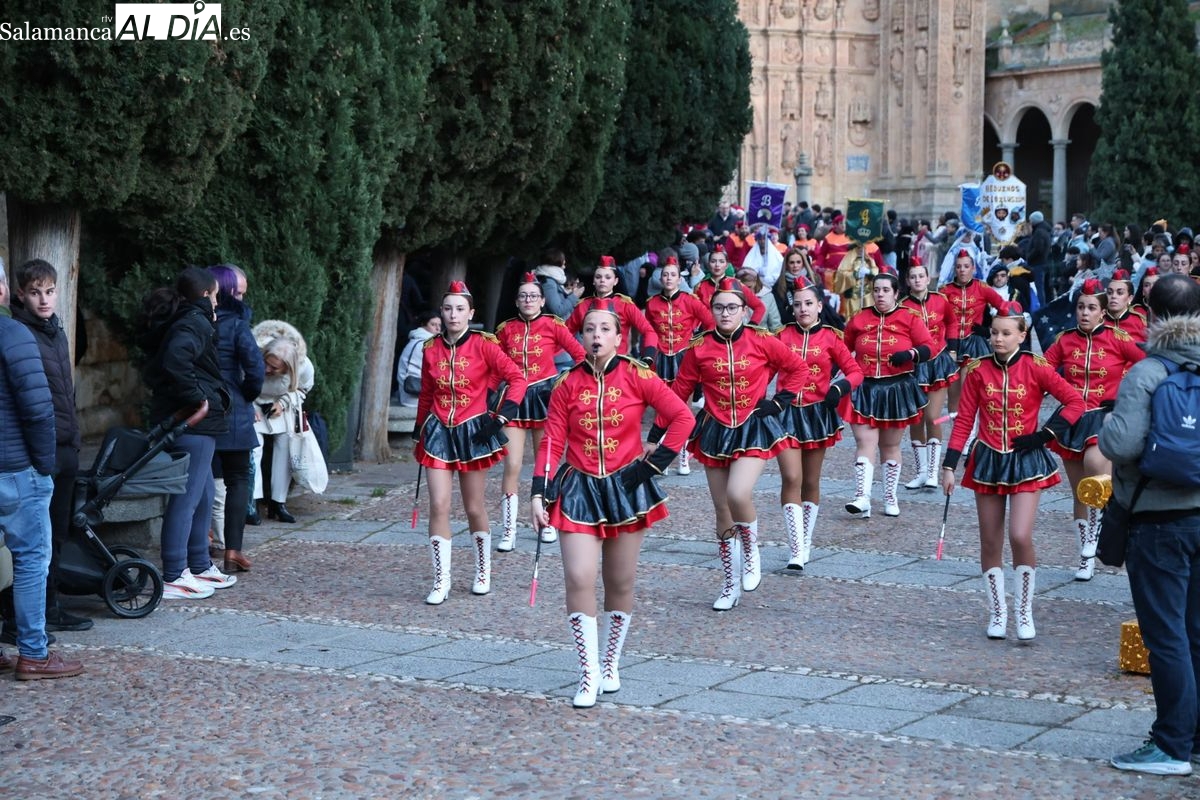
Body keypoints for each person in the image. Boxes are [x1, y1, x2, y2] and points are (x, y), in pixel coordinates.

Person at [532, 301, 692, 708]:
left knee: (619, 582)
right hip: (579, 489)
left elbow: (682, 418)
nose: (597, 335)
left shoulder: (640, 376)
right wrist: (538, 491)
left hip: (625, 489)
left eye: (605, 329)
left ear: (620, 338)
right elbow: (551, 440)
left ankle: (610, 661)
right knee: (580, 577)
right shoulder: (566, 383)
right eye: (589, 329)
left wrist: (651, 467)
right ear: (582, 337)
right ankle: (587, 674)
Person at [656, 278, 806, 610]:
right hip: (715, 428)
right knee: (722, 511)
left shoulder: (761, 340)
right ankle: (729, 583)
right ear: (711, 311)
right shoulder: (698, 346)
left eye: (732, 307)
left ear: (745, 311)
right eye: (719, 307)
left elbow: (797, 368)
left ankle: (751, 551)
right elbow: (678, 392)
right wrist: (655, 436)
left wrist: (779, 401)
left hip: (752, 425)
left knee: (738, 494)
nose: (725, 313)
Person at [1100, 274, 1200, 776]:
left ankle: (1171, 745)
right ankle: (1195, 737)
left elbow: (1120, 445)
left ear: (1150, 312)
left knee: (1165, 635)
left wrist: (1105, 421)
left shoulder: (1148, 371)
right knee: (1196, 631)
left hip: (1159, 519)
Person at [940, 303, 1084, 642]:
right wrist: (948, 465)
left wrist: (1045, 435)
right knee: (990, 540)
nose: (998, 339)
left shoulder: (1037, 367)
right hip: (989, 459)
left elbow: (1075, 401)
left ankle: (1023, 609)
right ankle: (998, 612)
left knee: (1020, 535)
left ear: (1022, 335)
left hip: (1025, 460)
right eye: (994, 333)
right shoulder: (977, 370)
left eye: (1006, 333)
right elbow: (964, 420)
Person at [414, 281, 527, 604]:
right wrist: (419, 428)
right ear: (441, 312)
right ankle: (441, 580)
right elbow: (426, 392)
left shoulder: (484, 345)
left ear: (471, 313)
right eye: (448, 308)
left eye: (460, 309)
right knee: (438, 505)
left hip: (473, 429)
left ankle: (482, 569)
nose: (453, 315)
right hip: (438, 430)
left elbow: (517, 377)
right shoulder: (429, 348)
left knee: (474, 507)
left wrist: (502, 416)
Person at [0, 266, 84, 679]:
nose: (44, 300)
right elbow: (37, 409)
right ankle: (33, 652)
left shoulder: (35, 332)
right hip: (17, 468)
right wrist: (43, 464)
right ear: (6, 290)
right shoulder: (14, 333)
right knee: (32, 559)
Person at [140, 267, 237, 599]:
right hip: (192, 422)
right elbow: (176, 361)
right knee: (188, 498)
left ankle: (198, 564)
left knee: (204, 494)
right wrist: (200, 399)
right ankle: (173, 573)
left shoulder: (188, 319)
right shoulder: (192, 322)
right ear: (208, 295)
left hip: (196, 422)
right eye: (216, 297)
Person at [1044, 278, 1145, 581]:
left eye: (1091, 308)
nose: (1084, 313)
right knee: (1078, 492)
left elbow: (1147, 365)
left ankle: (1094, 541)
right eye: (1080, 307)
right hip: (1072, 417)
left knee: (1094, 475)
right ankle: (1084, 554)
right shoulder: (1064, 340)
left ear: (1102, 312)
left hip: (1104, 416)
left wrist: (1127, 397)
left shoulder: (1118, 338)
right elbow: (1041, 369)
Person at [494, 273, 586, 552]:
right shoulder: (505, 329)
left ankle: (546, 521)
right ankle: (508, 529)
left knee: (546, 465)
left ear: (543, 300)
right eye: (523, 296)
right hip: (514, 399)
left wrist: (568, 384)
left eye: (533, 296)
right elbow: (491, 363)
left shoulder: (553, 325)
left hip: (546, 398)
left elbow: (579, 356)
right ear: (517, 301)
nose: (528, 300)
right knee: (511, 465)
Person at [775, 277, 863, 568]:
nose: (802, 309)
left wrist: (839, 388)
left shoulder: (831, 337)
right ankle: (796, 549)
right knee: (791, 478)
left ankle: (806, 538)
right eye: (797, 304)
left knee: (810, 481)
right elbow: (760, 368)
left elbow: (855, 371)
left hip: (816, 414)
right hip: (786, 413)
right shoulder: (780, 336)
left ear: (819, 306)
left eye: (808, 304)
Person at [843, 271, 935, 518]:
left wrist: (911, 355)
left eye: (886, 290)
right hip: (865, 388)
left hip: (897, 389)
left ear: (896, 293)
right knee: (866, 442)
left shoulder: (910, 318)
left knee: (890, 445)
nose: (880, 294)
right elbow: (843, 349)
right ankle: (862, 497)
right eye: (876, 290)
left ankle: (889, 496)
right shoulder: (859, 319)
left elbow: (929, 347)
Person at [207, 264, 264, 573]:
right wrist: (245, 395)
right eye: (238, 292)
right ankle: (233, 550)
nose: (242, 298)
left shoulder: (196, 322)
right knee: (238, 479)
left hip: (199, 408)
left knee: (202, 479)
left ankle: (201, 542)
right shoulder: (237, 326)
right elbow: (255, 370)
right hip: (233, 411)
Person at [644, 256, 713, 475]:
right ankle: (660, 457)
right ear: (660, 277)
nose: (668, 278)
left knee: (682, 409)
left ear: (679, 277)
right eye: (665, 274)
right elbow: (648, 331)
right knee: (661, 408)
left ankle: (683, 453)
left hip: (684, 357)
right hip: (661, 358)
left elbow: (710, 321)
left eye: (673, 274)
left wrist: (697, 343)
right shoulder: (652, 303)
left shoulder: (690, 300)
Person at [899, 258, 958, 490]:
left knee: (933, 416)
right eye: (913, 277)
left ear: (928, 278)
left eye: (921, 276)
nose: (917, 280)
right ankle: (921, 472)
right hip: (914, 365)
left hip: (938, 363)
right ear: (908, 281)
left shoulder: (941, 300)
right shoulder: (902, 306)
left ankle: (933, 471)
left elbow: (952, 323)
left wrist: (952, 349)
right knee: (916, 418)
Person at [252, 320, 315, 524]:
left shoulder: (304, 366)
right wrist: (246, 406)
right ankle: (252, 500)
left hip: (283, 405)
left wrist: (284, 403)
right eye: (266, 363)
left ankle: (278, 502)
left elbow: (302, 389)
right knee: (254, 449)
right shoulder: (253, 353)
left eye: (275, 368)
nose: (268, 370)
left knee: (286, 448)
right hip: (253, 403)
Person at [943, 250, 1006, 414]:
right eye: (958, 267)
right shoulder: (945, 291)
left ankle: (971, 430)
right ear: (954, 269)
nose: (962, 270)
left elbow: (1004, 307)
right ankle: (956, 430)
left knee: (967, 388)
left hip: (973, 344)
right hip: (951, 344)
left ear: (973, 268)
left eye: (966, 266)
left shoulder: (982, 288)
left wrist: (991, 330)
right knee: (953, 394)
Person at [566, 256, 659, 361]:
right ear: (593, 281)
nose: (602, 280)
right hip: (589, 364)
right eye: (598, 277)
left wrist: (648, 355)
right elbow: (565, 334)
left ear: (615, 281)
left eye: (607, 277)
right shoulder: (583, 306)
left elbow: (648, 331)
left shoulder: (625, 305)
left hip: (619, 365)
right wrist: (578, 353)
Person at [693, 248, 767, 324]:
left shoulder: (736, 285)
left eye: (721, 261)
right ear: (708, 264)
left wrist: (752, 325)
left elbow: (759, 307)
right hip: (708, 332)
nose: (717, 265)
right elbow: (695, 314)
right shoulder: (700, 287)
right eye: (713, 261)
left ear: (727, 265)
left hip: (732, 333)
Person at [396, 309, 441, 407]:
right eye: (433, 324)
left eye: (439, 325)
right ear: (423, 325)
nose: (437, 329)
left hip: (412, 393)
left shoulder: (419, 341)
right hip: (414, 395)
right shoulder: (423, 344)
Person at [1105, 268, 1147, 343]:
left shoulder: (1141, 322)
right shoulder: (1098, 321)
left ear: (1130, 298)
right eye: (1110, 292)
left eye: (1120, 293)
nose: (1113, 296)